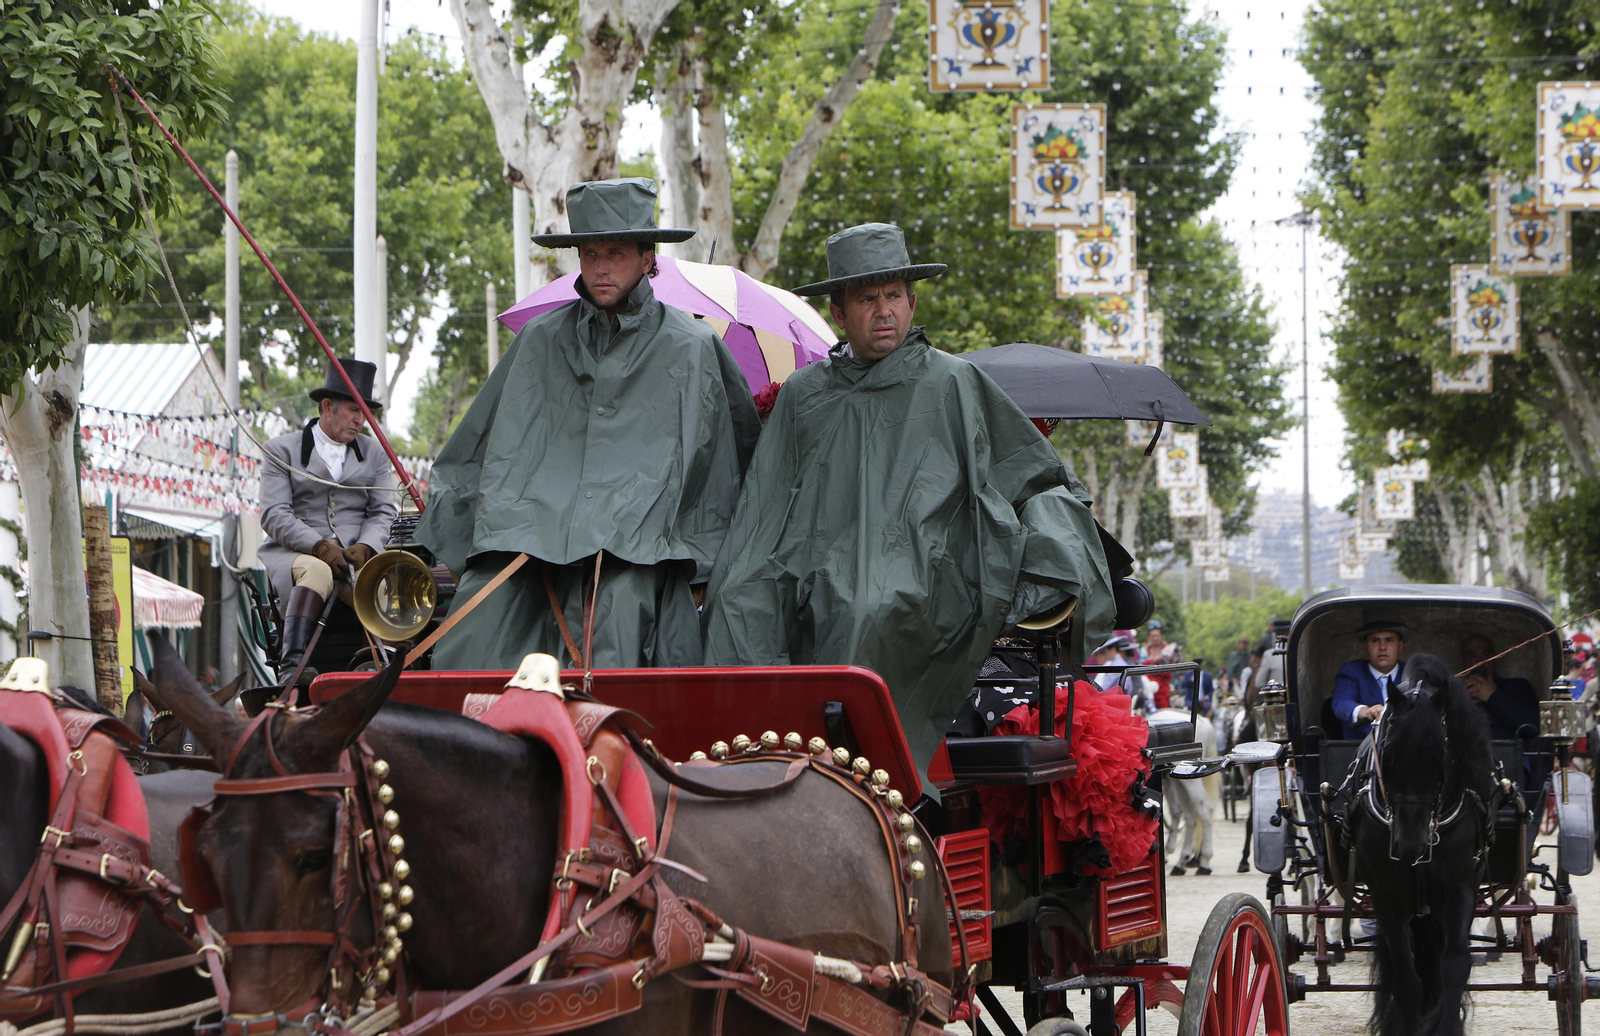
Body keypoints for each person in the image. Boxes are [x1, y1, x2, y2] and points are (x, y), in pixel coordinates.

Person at [702, 222, 1114, 789]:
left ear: (912, 301)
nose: (883, 311)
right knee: (734, 606)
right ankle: (759, 781)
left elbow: (1038, 478)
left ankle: (863, 787)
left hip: (928, 573)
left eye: (893, 295)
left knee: (866, 606)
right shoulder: (805, 395)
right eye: (866, 298)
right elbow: (764, 509)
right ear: (840, 313)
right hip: (808, 567)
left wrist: (1052, 550)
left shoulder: (954, 383)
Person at [418, 179, 759, 670]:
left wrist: (700, 563)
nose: (600, 266)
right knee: (469, 642)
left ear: (647, 258)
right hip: (524, 548)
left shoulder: (693, 347)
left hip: (640, 556)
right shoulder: (538, 340)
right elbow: (475, 449)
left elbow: (728, 468)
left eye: (615, 252)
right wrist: (466, 529)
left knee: (616, 642)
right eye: (589, 252)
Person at [259, 358, 398, 675]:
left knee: (384, 583)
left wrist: (366, 547)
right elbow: (274, 514)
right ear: (327, 407)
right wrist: (320, 547)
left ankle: (384, 666)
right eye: (353, 410)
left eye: (364, 412)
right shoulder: (281, 450)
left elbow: (382, 511)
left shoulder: (375, 452)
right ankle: (292, 664)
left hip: (354, 557)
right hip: (296, 555)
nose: (360, 420)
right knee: (318, 572)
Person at [1330, 613, 1408, 740]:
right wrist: (1365, 712)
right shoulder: (1351, 671)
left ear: (1400, 646)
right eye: (1375, 640)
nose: (1382, 647)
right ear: (1365, 646)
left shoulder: (1411, 673)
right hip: (1358, 752)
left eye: (1389, 640)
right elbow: (1342, 702)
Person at [1459, 633, 1540, 741]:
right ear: (1461, 661)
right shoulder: (1453, 693)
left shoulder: (1517, 687)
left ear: (1494, 658)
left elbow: (1534, 728)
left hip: (1509, 755)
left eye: (1486, 655)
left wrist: (1493, 696)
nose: (1480, 662)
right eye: (1472, 656)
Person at [1143, 620, 1177, 708]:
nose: (1155, 638)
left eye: (1157, 636)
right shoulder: (1144, 650)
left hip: (1164, 686)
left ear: (1161, 636)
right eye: (1153, 636)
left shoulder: (1167, 649)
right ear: (1149, 637)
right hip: (1148, 684)